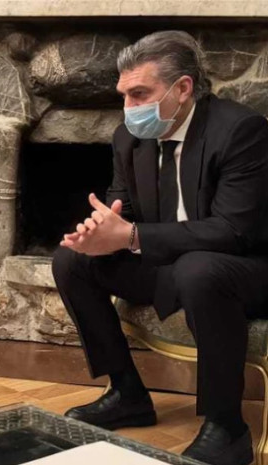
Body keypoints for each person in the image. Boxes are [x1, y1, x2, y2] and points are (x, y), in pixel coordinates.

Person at [52, 30, 268, 465]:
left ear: (182, 88)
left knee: (199, 269)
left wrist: (132, 237)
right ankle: (127, 392)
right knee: (72, 260)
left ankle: (227, 427)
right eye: (124, 96)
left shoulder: (241, 132)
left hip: (245, 269)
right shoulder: (128, 138)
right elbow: (123, 211)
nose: (129, 108)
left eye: (140, 94)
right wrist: (98, 234)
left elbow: (234, 230)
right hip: (175, 264)